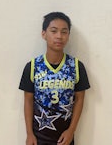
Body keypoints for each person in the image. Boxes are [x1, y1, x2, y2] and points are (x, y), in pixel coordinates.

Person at [19, 12, 90, 145]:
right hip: (39, 134)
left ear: (68, 36)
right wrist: (29, 134)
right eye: (54, 31)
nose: (59, 36)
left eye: (64, 32)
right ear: (44, 34)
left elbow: (80, 99)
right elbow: (28, 100)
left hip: (65, 136)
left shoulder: (76, 66)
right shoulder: (32, 67)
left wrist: (71, 131)